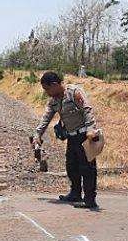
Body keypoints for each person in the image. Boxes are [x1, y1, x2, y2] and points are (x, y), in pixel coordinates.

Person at [34, 71, 99, 210]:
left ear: (55, 84)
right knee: (71, 166)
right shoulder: (54, 101)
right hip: (72, 137)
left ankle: (90, 200)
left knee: (87, 168)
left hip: (85, 136)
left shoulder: (74, 92)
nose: (46, 92)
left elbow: (87, 109)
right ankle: (75, 194)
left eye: (47, 89)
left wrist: (91, 129)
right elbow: (46, 118)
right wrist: (37, 135)